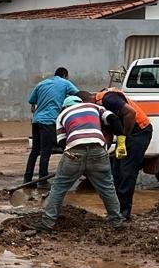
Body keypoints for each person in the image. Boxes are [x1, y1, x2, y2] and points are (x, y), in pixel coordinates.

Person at [36, 94, 125, 231]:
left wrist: (70, 159)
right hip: (98, 151)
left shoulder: (62, 115)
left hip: (74, 152)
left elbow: (61, 142)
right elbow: (114, 120)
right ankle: (116, 222)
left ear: (65, 106)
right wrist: (120, 142)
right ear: (80, 102)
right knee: (107, 188)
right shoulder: (94, 107)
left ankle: (47, 224)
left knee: (58, 189)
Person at [95, 87, 153, 222]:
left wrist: (123, 138)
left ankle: (124, 213)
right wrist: (101, 152)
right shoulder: (100, 110)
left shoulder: (108, 98)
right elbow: (108, 133)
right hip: (128, 135)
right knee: (116, 172)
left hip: (139, 132)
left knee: (127, 171)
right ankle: (116, 211)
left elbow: (130, 113)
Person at [24, 67, 80, 184]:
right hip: (49, 121)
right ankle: (43, 180)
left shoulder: (41, 84)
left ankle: (27, 178)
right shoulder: (65, 83)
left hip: (36, 121)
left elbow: (31, 100)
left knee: (35, 150)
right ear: (65, 75)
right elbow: (78, 96)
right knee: (46, 151)